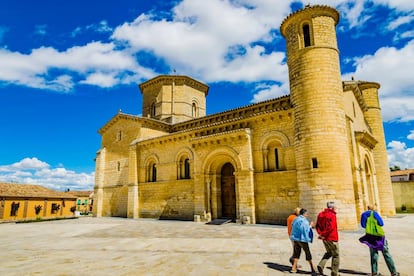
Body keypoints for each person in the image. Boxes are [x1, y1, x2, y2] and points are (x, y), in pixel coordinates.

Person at [360, 204, 400, 276]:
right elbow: (381, 223)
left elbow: (363, 225)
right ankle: (393, 272)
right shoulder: (374, 213)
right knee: (386, 253)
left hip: (370, 236)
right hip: (379, 236)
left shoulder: (363, 214)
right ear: (373, 208)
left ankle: (374, 272)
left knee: (373, 254)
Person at [290, 208, 317, 274]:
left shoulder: (295, 219)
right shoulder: (304, 221)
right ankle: (312, 268)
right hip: (302, 239)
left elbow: (292, 226)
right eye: (307, 214)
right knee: (307, 253)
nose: (307, 215)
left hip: (295, 238)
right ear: (304, 214)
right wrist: (310, 226)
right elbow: (304, 230)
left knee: (296, 253)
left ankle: (293, 268)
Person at [316, 201, 339, 276]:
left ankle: (321, 265)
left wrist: (321, 234)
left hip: (324, 238)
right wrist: (323, 234)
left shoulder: (320, 214)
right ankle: (334, 272)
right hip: (332, 237)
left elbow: (317, 226)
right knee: (336, 255)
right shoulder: (332, 215)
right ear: (332, 207)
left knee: (329, 252)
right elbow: (331, 228)